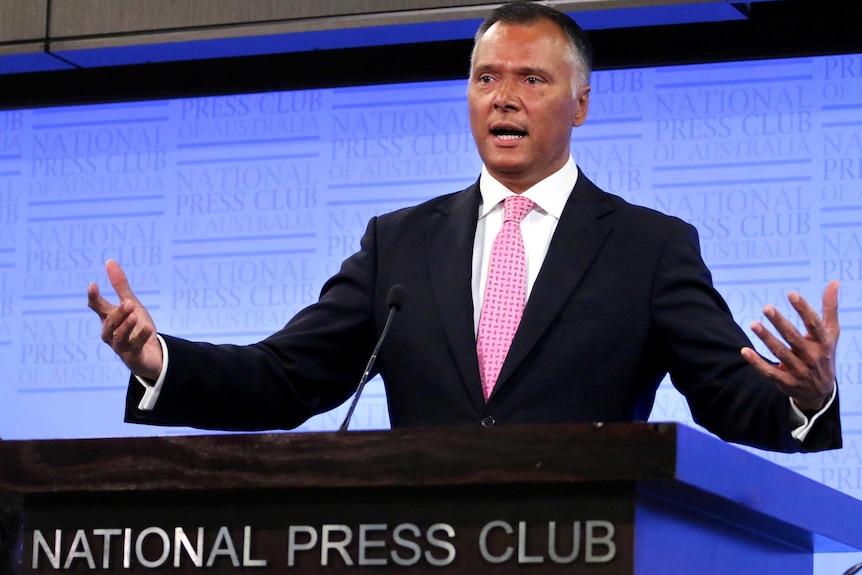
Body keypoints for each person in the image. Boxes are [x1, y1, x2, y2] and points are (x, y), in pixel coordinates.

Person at [88, 1, 840, 453]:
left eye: (531, 80)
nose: (503, 99)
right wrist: (162, 360)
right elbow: (287, 378)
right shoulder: (400, 243)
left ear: (580, 104)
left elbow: (722, 391)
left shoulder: (648, 246)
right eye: (486, 79)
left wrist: (806, 398)